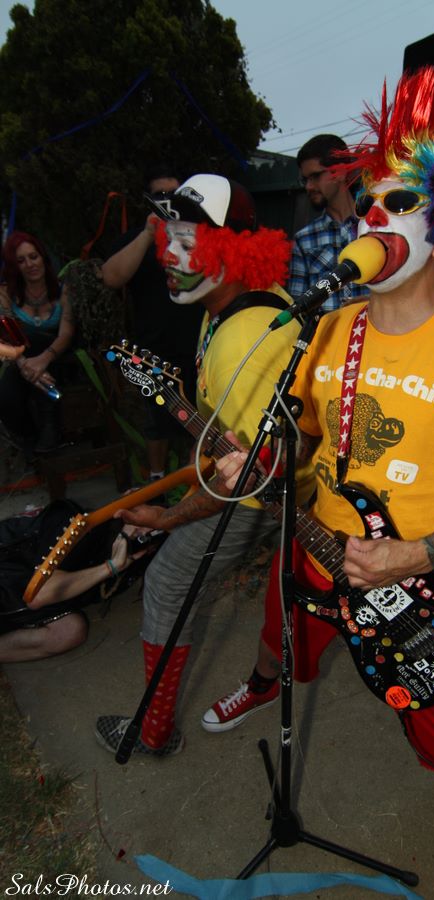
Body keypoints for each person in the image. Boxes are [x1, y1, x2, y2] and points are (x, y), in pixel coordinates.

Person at [207, 68, 434, 900]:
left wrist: (415, 554)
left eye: (398, 202)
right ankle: (263, 683)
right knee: (281, 626)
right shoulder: (330, 330)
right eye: (366, 204)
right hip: (318, 550)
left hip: (423, 591)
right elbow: (303, 436)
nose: (374, 218)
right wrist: (259, 461)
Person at [94, 174, 314, 757]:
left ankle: (154, 730)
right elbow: (229, 444)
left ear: (235, 252)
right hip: (252, 474)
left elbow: (248, 477)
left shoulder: (244, 340)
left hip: (263, 495)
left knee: (167, 581)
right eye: (168, 239)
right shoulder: (234, 303)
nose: (168, 256)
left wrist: (168, 519)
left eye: (187, 243)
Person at [102, 165, 204, 481]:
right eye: (161, 194)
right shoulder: (138, 238)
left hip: (198, 344)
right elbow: (111, 277)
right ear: (148, 199)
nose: (168, 200)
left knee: (200, 417)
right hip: (155, 347)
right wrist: (149, 234)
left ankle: (195, 480)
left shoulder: (197, 234)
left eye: (175, 194)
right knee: (157, 420)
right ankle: (157, 480)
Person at [0, 507, 155, 663]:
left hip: (21, 601)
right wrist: (111, 567)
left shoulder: (134, 551)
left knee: (69, 631)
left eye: (153, 531)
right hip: (16, 587)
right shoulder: (71, 523)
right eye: (141, 525)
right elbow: (38, 595)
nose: (143, 532)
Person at [0, 232, 75, 456]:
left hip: (59, 359)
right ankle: (30, 439)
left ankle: (50, 427)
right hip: (22, 363)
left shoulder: (64, 289)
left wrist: (43, 360)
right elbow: (6, 335)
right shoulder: (5, 294)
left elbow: (66, 334)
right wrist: (25, 365)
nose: (30, 264)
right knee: (6, 397)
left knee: (35, 339)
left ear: (43, 257)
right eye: (21, 261)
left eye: (33, 257)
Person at [288, 133, 369, 311]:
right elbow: (298, 312)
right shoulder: (303, 240)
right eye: (305, 179)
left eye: (315, 176)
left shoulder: (377, 225)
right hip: (326, 330)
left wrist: (373, 303)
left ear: (340, 172)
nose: (308, 186)